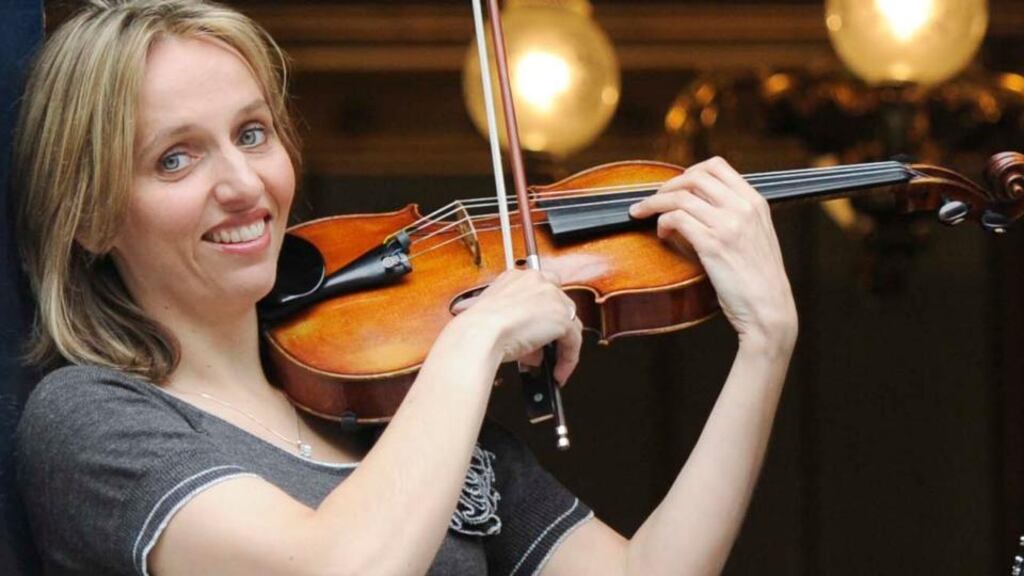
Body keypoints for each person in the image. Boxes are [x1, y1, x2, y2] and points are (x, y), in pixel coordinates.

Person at [11, 1, 798, 574]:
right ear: (91, 218)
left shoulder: (389, 410)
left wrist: (766, 343)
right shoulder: (95, 420)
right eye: (176, 158)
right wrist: (476, 336)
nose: (244, 183)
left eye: (252, 133)